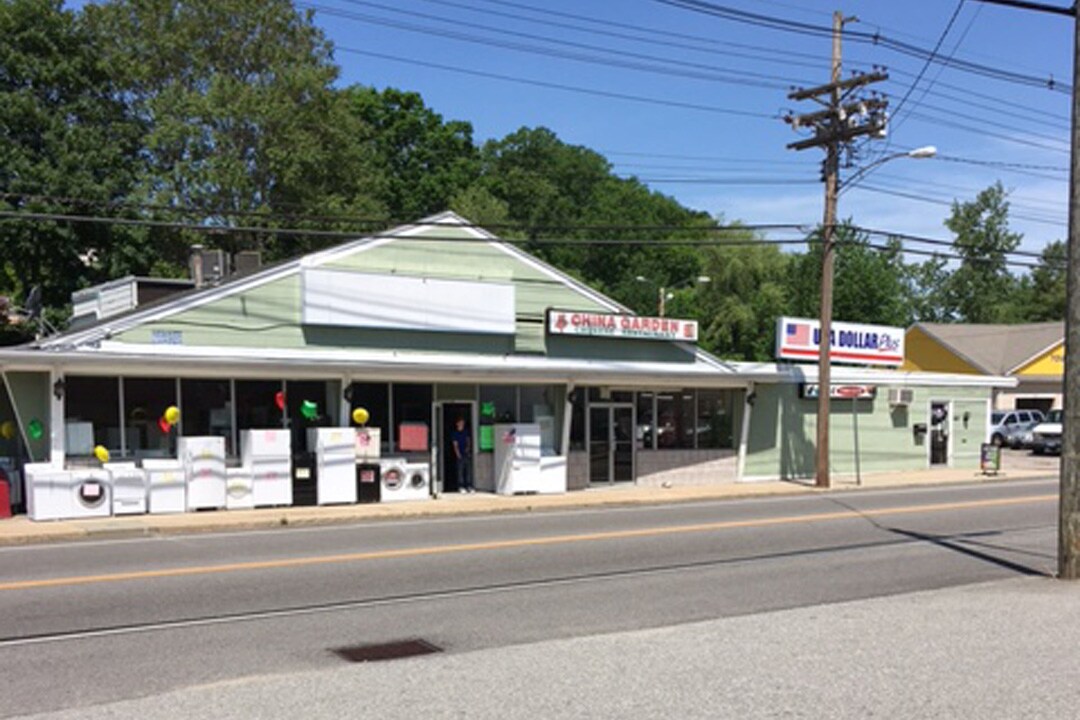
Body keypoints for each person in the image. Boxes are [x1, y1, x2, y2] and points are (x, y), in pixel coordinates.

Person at [451, 416, 474, 493]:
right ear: (457, 424)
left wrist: (468, 449)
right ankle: (460, 486)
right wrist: (458, 454)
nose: (462, 424)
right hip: (460, 454)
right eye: (460, 423)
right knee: (460, 471)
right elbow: (455, 445)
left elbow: (468, 441)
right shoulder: (455, 433)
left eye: (463, 423)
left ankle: (469, 486)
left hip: (466, 453)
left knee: (468, 470)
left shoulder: (466, 432)